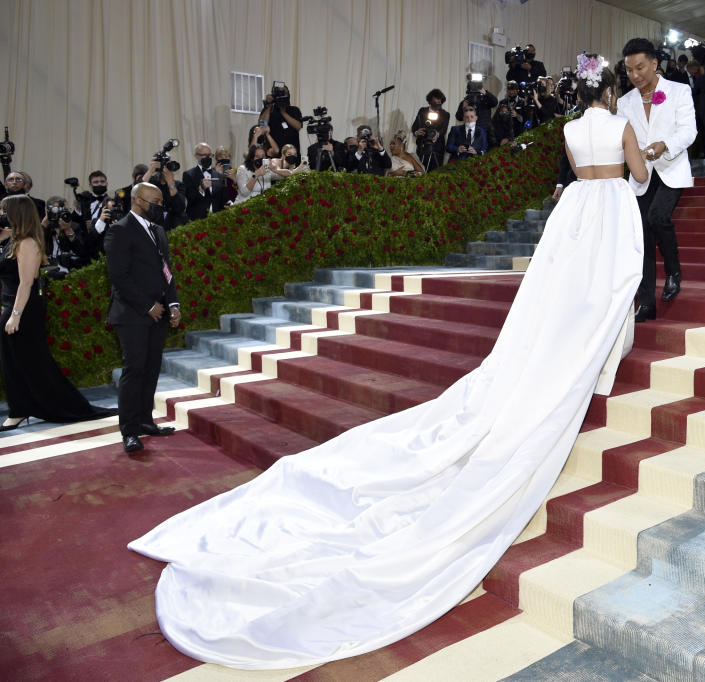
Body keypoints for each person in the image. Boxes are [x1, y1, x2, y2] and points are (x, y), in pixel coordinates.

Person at [127, 51, 649, 671]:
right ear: (612, 91)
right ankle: (596, 360)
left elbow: (575, 171)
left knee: (561, 297)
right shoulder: (622, 126)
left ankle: (566, 354)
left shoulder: (567, 130)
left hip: (573, 213)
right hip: (611, 206)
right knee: (610, 286)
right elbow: (637, 177)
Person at [0, 195, 116, 430]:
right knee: (13, 361)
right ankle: (22, 407)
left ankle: (29, 408)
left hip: (24, 308)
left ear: (15, 213)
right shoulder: (12, 238)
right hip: (13, 305)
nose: (0, 213)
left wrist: (15, 315)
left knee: (30, 361)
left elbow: (26, 283)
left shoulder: (28, 243)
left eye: (3, 210)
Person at [619, 37, 697, 321]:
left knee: (657, 218)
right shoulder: (624, 102)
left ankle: (674, 270)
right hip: (641, 174)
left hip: (671, 167)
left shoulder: (678, 91)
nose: (635, 75)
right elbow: (623, 140)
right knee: (642, 237)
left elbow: (689, 131)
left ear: (654, 63)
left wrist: (665, 145)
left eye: (640, 67)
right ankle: (647, 303)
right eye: (629, 70)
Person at [103, 182, 180, 453]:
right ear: (138, 201)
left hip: (157, 313)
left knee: (151, 369)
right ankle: (129, 431)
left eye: (160, 201)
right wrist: (148, 306)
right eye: (155, 201)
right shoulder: (119, 231)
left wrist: (173, 303)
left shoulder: (158, 231)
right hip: (132, 315)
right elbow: (119, 277)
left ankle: (146, 421)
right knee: (134, 371)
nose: (159, 206)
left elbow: (165, 270)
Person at [182, 143, 228, 221]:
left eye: (210, 155)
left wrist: (230, 204)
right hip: (197, 220)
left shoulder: (220, 176)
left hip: (218, 219)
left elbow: (225, 199)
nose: (208, 158)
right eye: (204, 155)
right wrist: (201, 190)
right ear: (196, 156)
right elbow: (189, 198)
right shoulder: (188, 175)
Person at [258, 83, 303, 154]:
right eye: (279, 93)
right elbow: (262, 125)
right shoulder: (269, 110)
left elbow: (298, 126)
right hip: (273, 152)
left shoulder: (294, 110)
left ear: (288, 94)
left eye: (284, 93)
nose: (282, 96)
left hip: (291, 153)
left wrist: (283, 112)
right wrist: (269, 106)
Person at [412, 89, 451, 170]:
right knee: (420, 170)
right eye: (436, 101)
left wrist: (437, 134)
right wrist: (416, 132)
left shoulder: (445, 114)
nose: (438, 103)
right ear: (430, 101)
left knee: (435, 172)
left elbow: (443, 130)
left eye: (440, 102)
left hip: (437, 148)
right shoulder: (422, 111)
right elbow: (414, 127)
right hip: (422, 146)